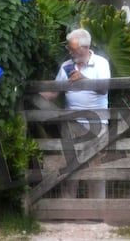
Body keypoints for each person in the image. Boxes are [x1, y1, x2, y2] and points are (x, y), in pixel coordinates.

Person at [40, 28, 111, 198]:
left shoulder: (101, 63)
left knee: (96, 169)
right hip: (71, 126)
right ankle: (68, 210)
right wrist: (32, 94)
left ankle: (97, 212)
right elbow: (53, 92)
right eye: (69, 48)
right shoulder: (66, 66)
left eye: (72, 49)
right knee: (69, 170)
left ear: (85, 48)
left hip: (96, 126)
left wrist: (83, 79)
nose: (69, 52)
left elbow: (104, 89)